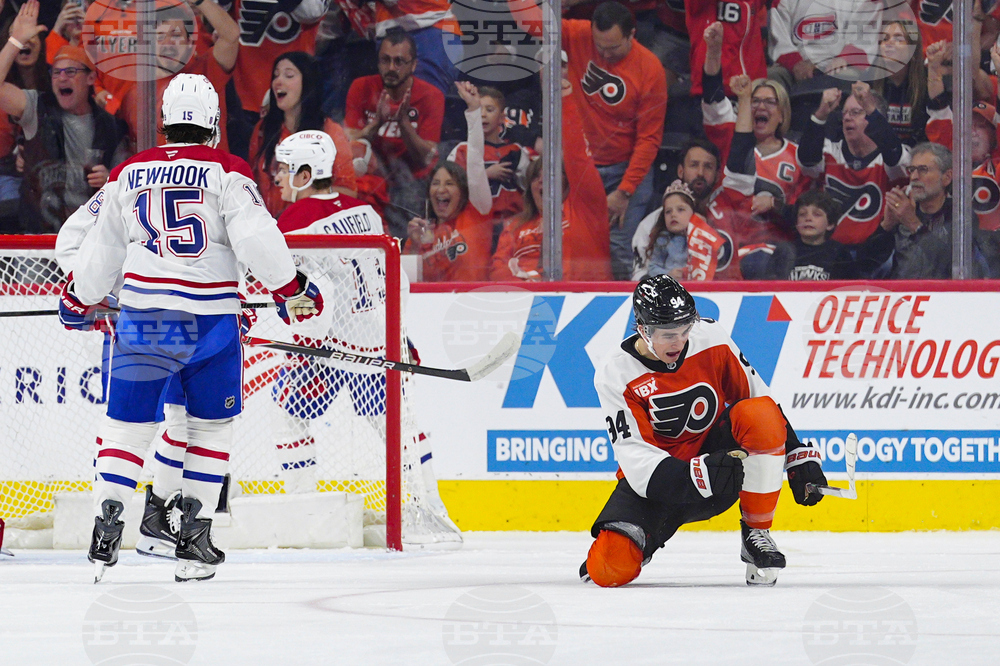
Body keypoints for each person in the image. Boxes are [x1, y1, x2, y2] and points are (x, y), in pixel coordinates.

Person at [59, 73, 324, 583]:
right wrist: (290, 289)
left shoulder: (128, 172)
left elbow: (104, 250)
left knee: (128, 428)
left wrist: (79, 296)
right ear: (214, 125)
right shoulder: (228, 170)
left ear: (163, 121)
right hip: (209, 324)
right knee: (206, 430)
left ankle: (107, 523)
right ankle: (193, 543)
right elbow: (255, 239)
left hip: (145, 321)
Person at [581, 274, 827, 588]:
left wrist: (796, 455)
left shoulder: (710, 336)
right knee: (609, 568)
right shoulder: (615, 372)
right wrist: (693, 476)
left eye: (685, 330)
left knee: (758, 412)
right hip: (663, 484)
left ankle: (756, 534)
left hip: (719, 468)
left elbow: (757, 400)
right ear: (643, 329)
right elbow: (637, 459)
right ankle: (635, 541)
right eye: (669, 334)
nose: (680, 341)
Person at [546, 0, 667, 280]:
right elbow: (531, 25)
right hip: (582, 168)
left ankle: (627, 314)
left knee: (619, 249)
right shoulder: (579, 34)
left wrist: (624, 192)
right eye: (599, 46)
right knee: (574, 244)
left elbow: (649, 139)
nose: (604, 54)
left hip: (627, 169)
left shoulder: (650, 69)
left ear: (632, 34)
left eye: (613, 48)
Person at [0, 1, 128, 233]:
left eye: (71, 72)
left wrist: (111, 179)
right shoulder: (36, 106)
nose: (61, 78)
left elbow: (127, 185)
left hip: (90, 237)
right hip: (37, 238)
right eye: (56, 73)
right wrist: (16, 40)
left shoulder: (112, 126)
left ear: (90, 79)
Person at [488, 79, 612, 281]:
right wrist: (527, 285)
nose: (542, 182)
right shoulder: (515, 226)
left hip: (583, 301)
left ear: (568, 182)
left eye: (551, 176)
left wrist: (567, 102)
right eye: (536, 178)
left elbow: (578, 158)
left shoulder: (586, 211)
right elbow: (497, 271)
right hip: (528, 304)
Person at [702, 22, 808, 229]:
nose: (761, 107)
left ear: (782, 114)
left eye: (770, 102)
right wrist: (713, 52)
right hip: (724, 234)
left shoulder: (798, 157)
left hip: (772, 244)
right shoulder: (729, 136)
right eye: (755, 100)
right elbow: (712, 98)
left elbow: (805, 211)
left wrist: (775, 204)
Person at [344, 29, 443, 237]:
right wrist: (376, 124)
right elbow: (349, 148)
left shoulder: (431, 96)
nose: (391, 68)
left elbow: (426, 158)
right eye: (385, 60)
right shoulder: (361, 87)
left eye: (399, 61)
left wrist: (403, 124)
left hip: (412, 181)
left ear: (413, 65)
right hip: (372, 177)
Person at [117, 0, 240, 154]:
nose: (168, 43)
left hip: (209, 175)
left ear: (190, 43)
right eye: (160, 37)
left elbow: (231, 35)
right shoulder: (134, 96)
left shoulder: (206, 71)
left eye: (175, 35)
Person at [797, 82, 909, 249]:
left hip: (875, 251)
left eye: (856, 112)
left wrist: (870, 108)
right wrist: (822, 113)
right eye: (845, 113)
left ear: (876, 118)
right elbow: (807, 162)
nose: (847, 118)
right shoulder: (829, 151)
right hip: (828, 251)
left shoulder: (890, 157)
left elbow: (894, 155)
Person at [248, 51, 356, 218]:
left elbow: (348, 193)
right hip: (269, 230)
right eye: (275, 76)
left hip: (309, 230)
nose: (278, 81)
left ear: (308, 82)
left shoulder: (329, 132)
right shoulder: (263, 130)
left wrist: (307, 200)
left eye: (289, 75)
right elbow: (251, 185)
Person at [223, 0, 328, 161]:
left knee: (293, 172)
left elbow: (312, 12)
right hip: (243, 93)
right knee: (241, 171)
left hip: (294, 102)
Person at [860, 142, 980, 279]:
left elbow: (952, 266)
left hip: (943, 296)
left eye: (923, 170)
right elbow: (864, 266)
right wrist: (886, 225)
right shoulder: (903, 211)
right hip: (900, 294)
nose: (914, 177)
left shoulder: (961, 215)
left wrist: (913, 224)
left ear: (947, 177)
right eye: (912, 170)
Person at [447, 84, 532, 231]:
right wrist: (485, 174)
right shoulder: (461, 150)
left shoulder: (516, 151)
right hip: (474, 225)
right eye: (478, 109)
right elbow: (450, 187)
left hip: (512, 225)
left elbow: (529, 187)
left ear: (502, 118)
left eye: (489, 109)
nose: (483, 114)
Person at [405, 158, 492, 281]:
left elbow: (475, 159)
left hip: (471, 297)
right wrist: (414, 245)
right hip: (430, 299)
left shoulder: (475, 216)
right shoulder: (421, 232)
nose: (440, 190)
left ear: (463, 192)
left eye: (449, 184)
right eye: (435, 183)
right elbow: (406, 281)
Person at [630, 179, 725, 280]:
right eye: (668, 211)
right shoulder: (663, 239)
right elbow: (653, 267)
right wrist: (668, 275)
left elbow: (719, 258)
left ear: (693, 213)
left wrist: (702, 227)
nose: (673, 215)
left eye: (680, 210)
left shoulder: (703, 235)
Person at [764, 189, 857, 280]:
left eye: (817, 214)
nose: (808, 218)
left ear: (830, 224)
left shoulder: (839, 252)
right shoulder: (785, 250)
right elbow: (770, 288)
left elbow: (848, 289)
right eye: (802, 214)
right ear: (796, 223)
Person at [870, 19, 928, 147]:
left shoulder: (928, 82)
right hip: (880, 157)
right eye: (885, 39)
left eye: (898, 39)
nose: (889, 43)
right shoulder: (869, 82)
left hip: (917, 157)